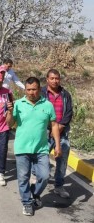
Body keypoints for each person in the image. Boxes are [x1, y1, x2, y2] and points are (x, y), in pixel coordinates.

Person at [6, 77, 61, 216]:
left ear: (39, 89)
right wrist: (9, 112)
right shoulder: (17, 104)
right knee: (23, 177)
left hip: (41, 149)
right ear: (25, 90)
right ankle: (26, 203)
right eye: (28, 89)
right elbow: (9, 124)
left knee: (44, 176)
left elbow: (54, 125)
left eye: (34, 89)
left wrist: (58, 145)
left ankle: (35, 193)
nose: (31, 92)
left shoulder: (47, 105)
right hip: (22, 148)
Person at [42, 69, 73, 198]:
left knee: (62, 161)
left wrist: (60, 126)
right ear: (47, 79)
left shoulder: (65, 94)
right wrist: (50, 127)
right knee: (41, 159)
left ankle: (59, 186)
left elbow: (69, 112)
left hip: (62, 132)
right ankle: (37, 180)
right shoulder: (41, 93)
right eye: (52, 78)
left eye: (57, 78)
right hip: (45, 132)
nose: (55, 81)